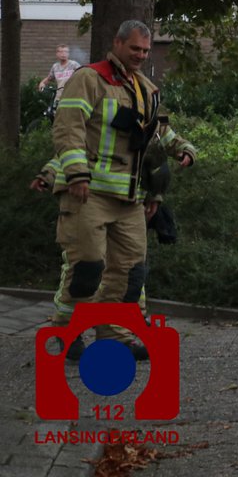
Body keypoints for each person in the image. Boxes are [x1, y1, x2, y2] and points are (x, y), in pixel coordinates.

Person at [50, 20, 196, 360]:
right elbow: (68, 128)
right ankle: (66, 330)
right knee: (87, 267)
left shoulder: (146, 88)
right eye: (135, 49)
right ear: (117, 43)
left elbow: (158, 134)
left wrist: (183, 150)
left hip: (129, 199)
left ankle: (115, 336)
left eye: (145, 50)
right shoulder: (88, 79)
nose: (141, 55)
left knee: (130, 272)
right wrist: (76, 174)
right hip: (87, 194)